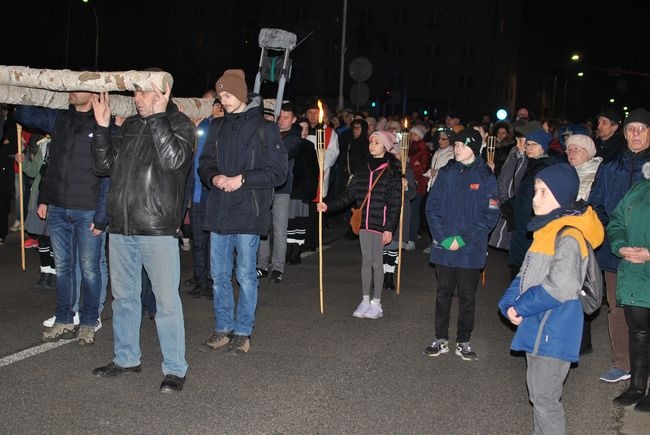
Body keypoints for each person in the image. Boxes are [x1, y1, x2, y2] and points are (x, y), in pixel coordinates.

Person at [91, 80, 194, 393]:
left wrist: (158, 118)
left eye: (142, 92)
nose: (136, 98)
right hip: (121, 226)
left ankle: (175, 369)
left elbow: (174, 162)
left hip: (157, 227)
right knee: (123, 298)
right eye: (134, 92)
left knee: (166, 302)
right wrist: (102, 128)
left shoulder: (179, 123)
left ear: (161, 94)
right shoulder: (130, 125)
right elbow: (104, 166)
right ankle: (126, 358)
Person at [498, 163, 604, 435]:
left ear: (561, 195)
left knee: (545, 400)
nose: (535, 198)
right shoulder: (545, 230)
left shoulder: (569, 236)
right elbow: (524, 274)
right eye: (535, 190)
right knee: (538, 395)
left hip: (555, 329)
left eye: (543, 192)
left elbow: (560, 287)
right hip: (538, 326)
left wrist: (520, 305)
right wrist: (507, 303)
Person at [198, 69, 287, 355]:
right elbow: (205, 162)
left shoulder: (265, 128)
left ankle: (243, 331)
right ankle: (223, 327)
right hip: (220, 211)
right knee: (220, 275)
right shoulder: (217, 126)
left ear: (240, 94)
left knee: (246, 275)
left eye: (227, 95)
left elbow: (278, 172)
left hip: (248, 212)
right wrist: (213, 178)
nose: (223, 101)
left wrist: (242, 179)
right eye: (220, 96)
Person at [15, 91, 108, 345]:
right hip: (58, 208)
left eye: (77, 88)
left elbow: (108, 172)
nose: (71, 92)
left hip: (87, 209)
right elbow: (24, 116)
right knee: (63, 268)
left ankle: (89, 321)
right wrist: (34, 87)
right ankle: (64, 318)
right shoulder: (60, 118)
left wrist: (102, 215)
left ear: (92, 94)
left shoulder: (103, 121)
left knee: (89, 269)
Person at [423, 128, 499, 360]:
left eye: (462, 145)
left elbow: (490, 214)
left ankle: (463, 340)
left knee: (467, 295)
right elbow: (432, 207)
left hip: (470, 247)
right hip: (444, 245)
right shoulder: (446, 172)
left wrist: (463, 238)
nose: (457, 149)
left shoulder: (485, 176)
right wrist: (443, 236)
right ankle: (441, 338)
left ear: (474, 149)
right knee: (443, 293)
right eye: (455, 145)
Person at [588, 107, 650, 383]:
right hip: (615, 252)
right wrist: (618, 240)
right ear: (624, 134)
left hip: (647, 252)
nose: (635, 134)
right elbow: (597, 202)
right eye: (630, 129)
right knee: (617, 307)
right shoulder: (610, 165)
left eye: (642, 129)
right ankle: (622, 363)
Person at [316, 130, 402, 319]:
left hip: (381, 224)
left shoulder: (391, 172)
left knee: (377, 263)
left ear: (386, 147)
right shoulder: (362, 169)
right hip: (363, 223)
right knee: (366, 261)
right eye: (371, 141)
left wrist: (389, 228)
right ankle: (365, 300)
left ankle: (377, 303)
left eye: (377, 142)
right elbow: (349, 195)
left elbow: (395, 203)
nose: (372, 145)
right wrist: (328, 205)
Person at [607, 162, 650, 411]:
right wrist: (621, 246)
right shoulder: (638, 188)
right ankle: (636, 385)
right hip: (635, 273)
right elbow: (616, 221)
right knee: (638, 333)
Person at [565, 133, 603, 355]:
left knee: (583, 288)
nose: (571, 153)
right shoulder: (567, 173)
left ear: (588, 153)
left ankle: (582, 341)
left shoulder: (597, 174)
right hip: (565, 236)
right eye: (569, 149)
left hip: (585, 236)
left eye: (577, 149)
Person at [256, 102, 300, 284]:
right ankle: (262, 265)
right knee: (263, 228)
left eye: (286, 117)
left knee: (280, 230)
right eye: (280, 116)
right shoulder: (269, 131)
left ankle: (278, 268)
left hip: (282, 189)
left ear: (294, 120)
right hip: (265, 187)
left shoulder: (294, 138)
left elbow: (280, 153)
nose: (282, 120)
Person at [185, 95, 224, 299]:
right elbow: (194, 158)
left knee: (214, 244)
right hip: (199, 193)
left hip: (216, 194)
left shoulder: (226, 128)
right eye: (217, 104)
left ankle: (212, 281)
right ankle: (200, 280)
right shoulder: (204, 125)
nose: (219, 108)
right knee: (199, 241)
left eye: (222, 105)